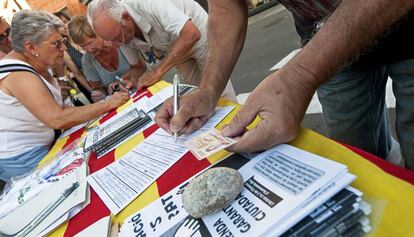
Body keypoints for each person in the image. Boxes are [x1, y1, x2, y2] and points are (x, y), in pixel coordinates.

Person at [155, 1, 414, 168]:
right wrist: (209, 90)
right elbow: (226, 7)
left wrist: (299, 75)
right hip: (327, 45)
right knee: (357, 159)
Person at [0, 10, 130, 182]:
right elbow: (57, 117)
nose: (63, 48)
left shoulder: (36, 62)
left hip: (42, 145)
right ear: (31, 47)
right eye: (56, 43)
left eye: (63, 41)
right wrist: (109, 103)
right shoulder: (18, 74)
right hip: (24, 157)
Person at [86, 0, 237, 102]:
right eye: (111, 40)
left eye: (118, 37)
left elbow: (192, 33)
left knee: (217, 88)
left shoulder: (147, 3)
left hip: (199, 33)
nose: (117, 45)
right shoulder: (118, 30)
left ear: (126, 17)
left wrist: (157, 72)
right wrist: (128, 80)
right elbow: (138, 67)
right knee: (198, 94)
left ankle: (238, 131)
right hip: (176, 47)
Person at [68, 15, 146, 102]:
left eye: (90, 43)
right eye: (83, 47)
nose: (89, 49)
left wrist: (122, 81)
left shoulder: (117, 40)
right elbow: (98, 88)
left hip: (144, 88)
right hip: (121, 102)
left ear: (97, 33)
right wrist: (98, 94)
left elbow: (141, 67)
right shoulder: (87, 61)